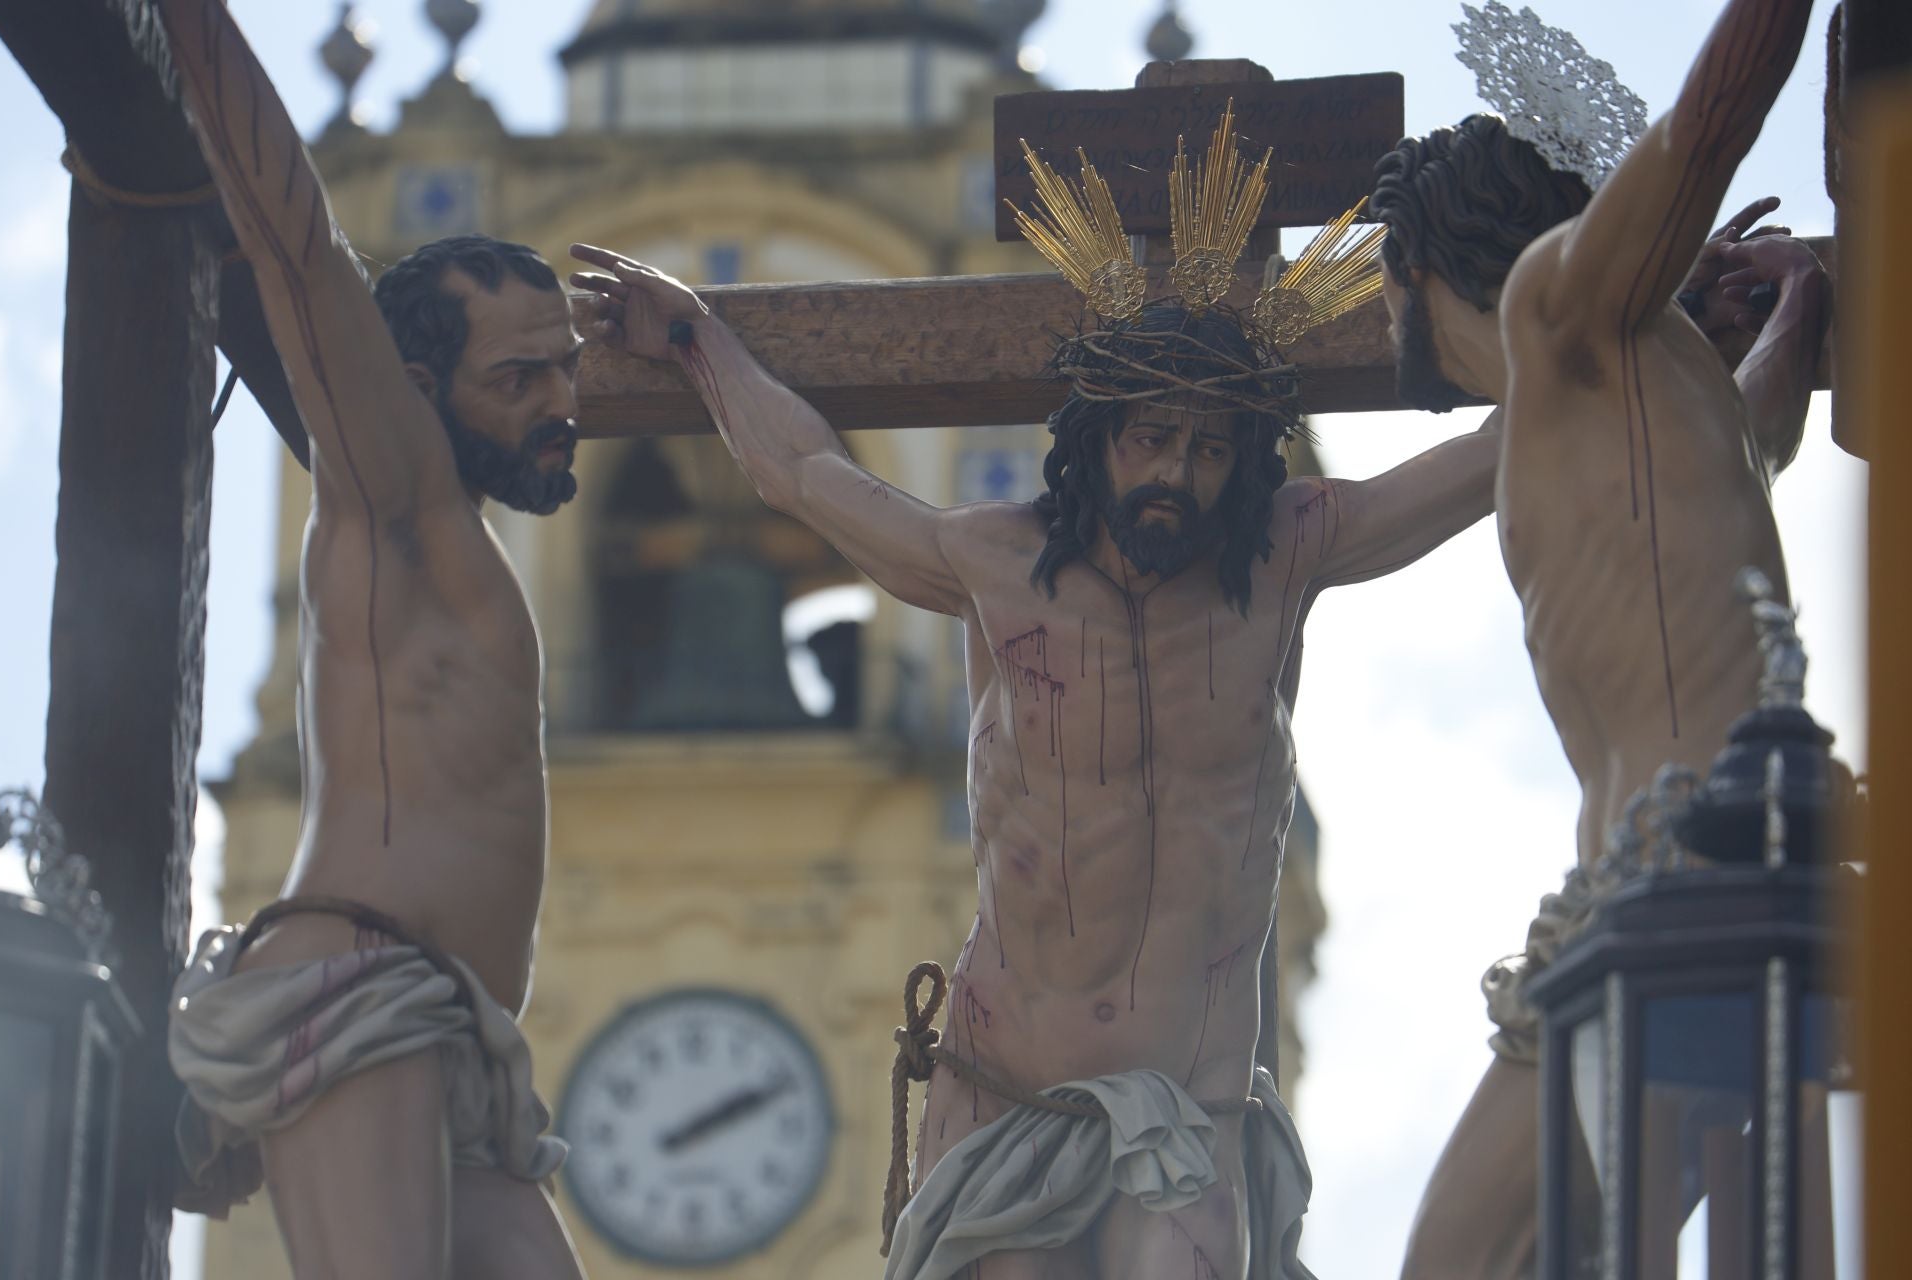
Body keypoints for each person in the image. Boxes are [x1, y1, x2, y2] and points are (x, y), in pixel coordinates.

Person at [566, 130, 1502, 1274]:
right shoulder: (991, 565)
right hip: (1012, 1099)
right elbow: (807, 473)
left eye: (1212, 449)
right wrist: (692, 339)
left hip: (1192, 1119)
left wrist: (1633, 313)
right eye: (1153, 437)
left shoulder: (1286, 556)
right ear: (1096, 439)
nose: (1178, 473)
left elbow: (1502, 451)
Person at [1368, 1, 1830, 1275]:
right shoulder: (1619, 388)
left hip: (1684, 875)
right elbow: (1751, 454)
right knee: (1514, 1260)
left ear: (1414, 265)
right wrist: (1799, 307)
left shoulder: (1555, 305)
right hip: (1664, 887)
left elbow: (1705, 129)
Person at [155, 1, 588, 1275]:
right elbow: (297, 249)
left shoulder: (470, 551)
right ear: (410, 393)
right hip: (361, 985)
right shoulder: (392, 490)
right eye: (521, 381)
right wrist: (197, 28)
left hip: (457, 1035)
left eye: (565, 367)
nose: (563, 404)